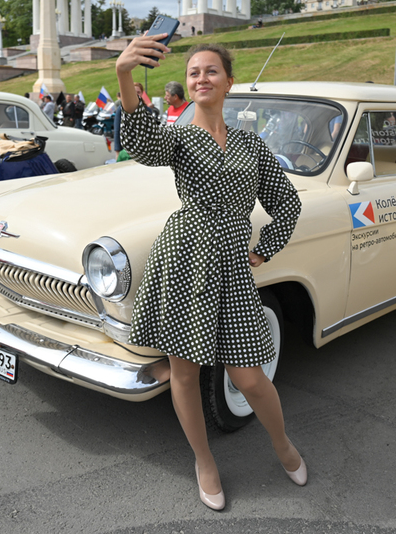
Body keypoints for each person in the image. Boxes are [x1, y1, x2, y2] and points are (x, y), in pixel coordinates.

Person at [115, 38, 306, 511]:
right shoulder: (177, 134)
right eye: (194, 72)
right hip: (184, 255)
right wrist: (124, 76)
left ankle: (282, 444)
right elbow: (141, 145)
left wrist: (263, 250)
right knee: (185, 371)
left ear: (229, 81)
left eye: (211, 71)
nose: (201, 78)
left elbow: (288, 203)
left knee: (250, 377)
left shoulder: (251, 145)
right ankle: (204, 460)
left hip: (233, 266)